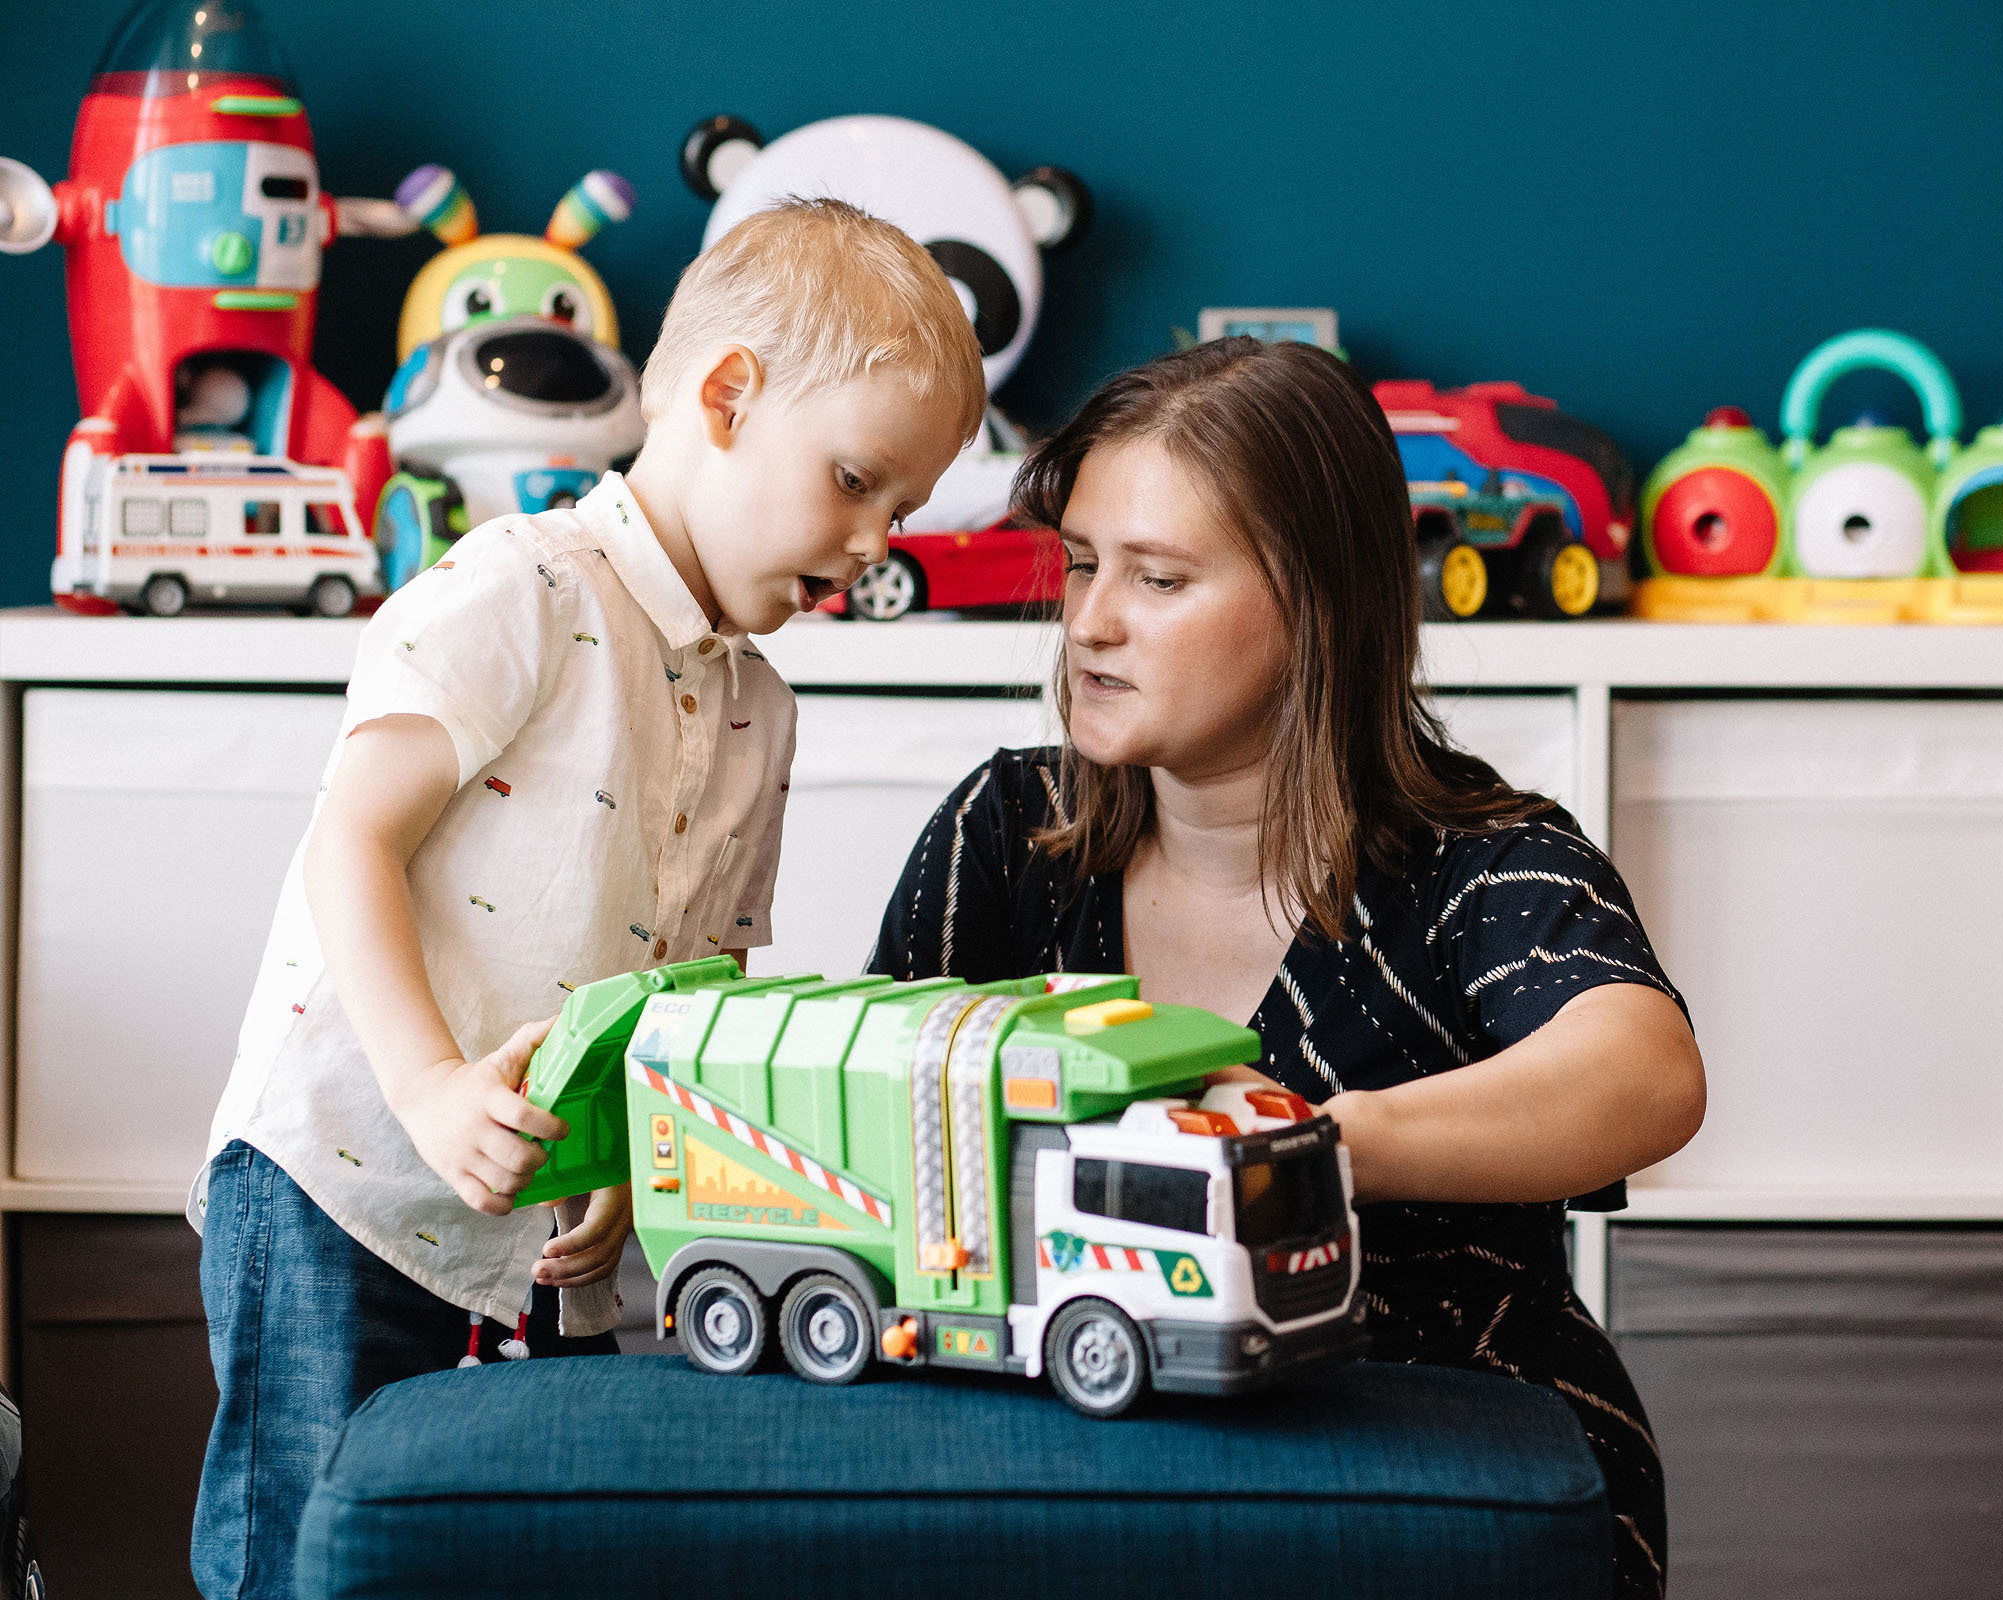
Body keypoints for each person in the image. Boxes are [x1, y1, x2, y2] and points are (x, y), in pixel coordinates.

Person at [188, 198, 987, 1599]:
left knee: (508, 1545)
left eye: (903, 512)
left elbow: (704, 978)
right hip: (351, 1179)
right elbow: (350, 842)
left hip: (541, 1220)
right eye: (857, 481)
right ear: (730, 398)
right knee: (299, 1553)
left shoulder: (762, 708)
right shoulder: (522, 588)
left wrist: (640, 1163)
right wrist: (435, 1087)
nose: (874, 543)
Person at [872, 337, 1706, 1599]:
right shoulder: (1008, 830)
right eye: (1085, 565)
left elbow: (1643, 1075)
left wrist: (1306, 1152)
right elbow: (876, 1106)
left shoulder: (1484, 859)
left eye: (1157, 579)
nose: (1089, 623)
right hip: (1065, 1425)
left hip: (1430, 1437)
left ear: (1319, 599)